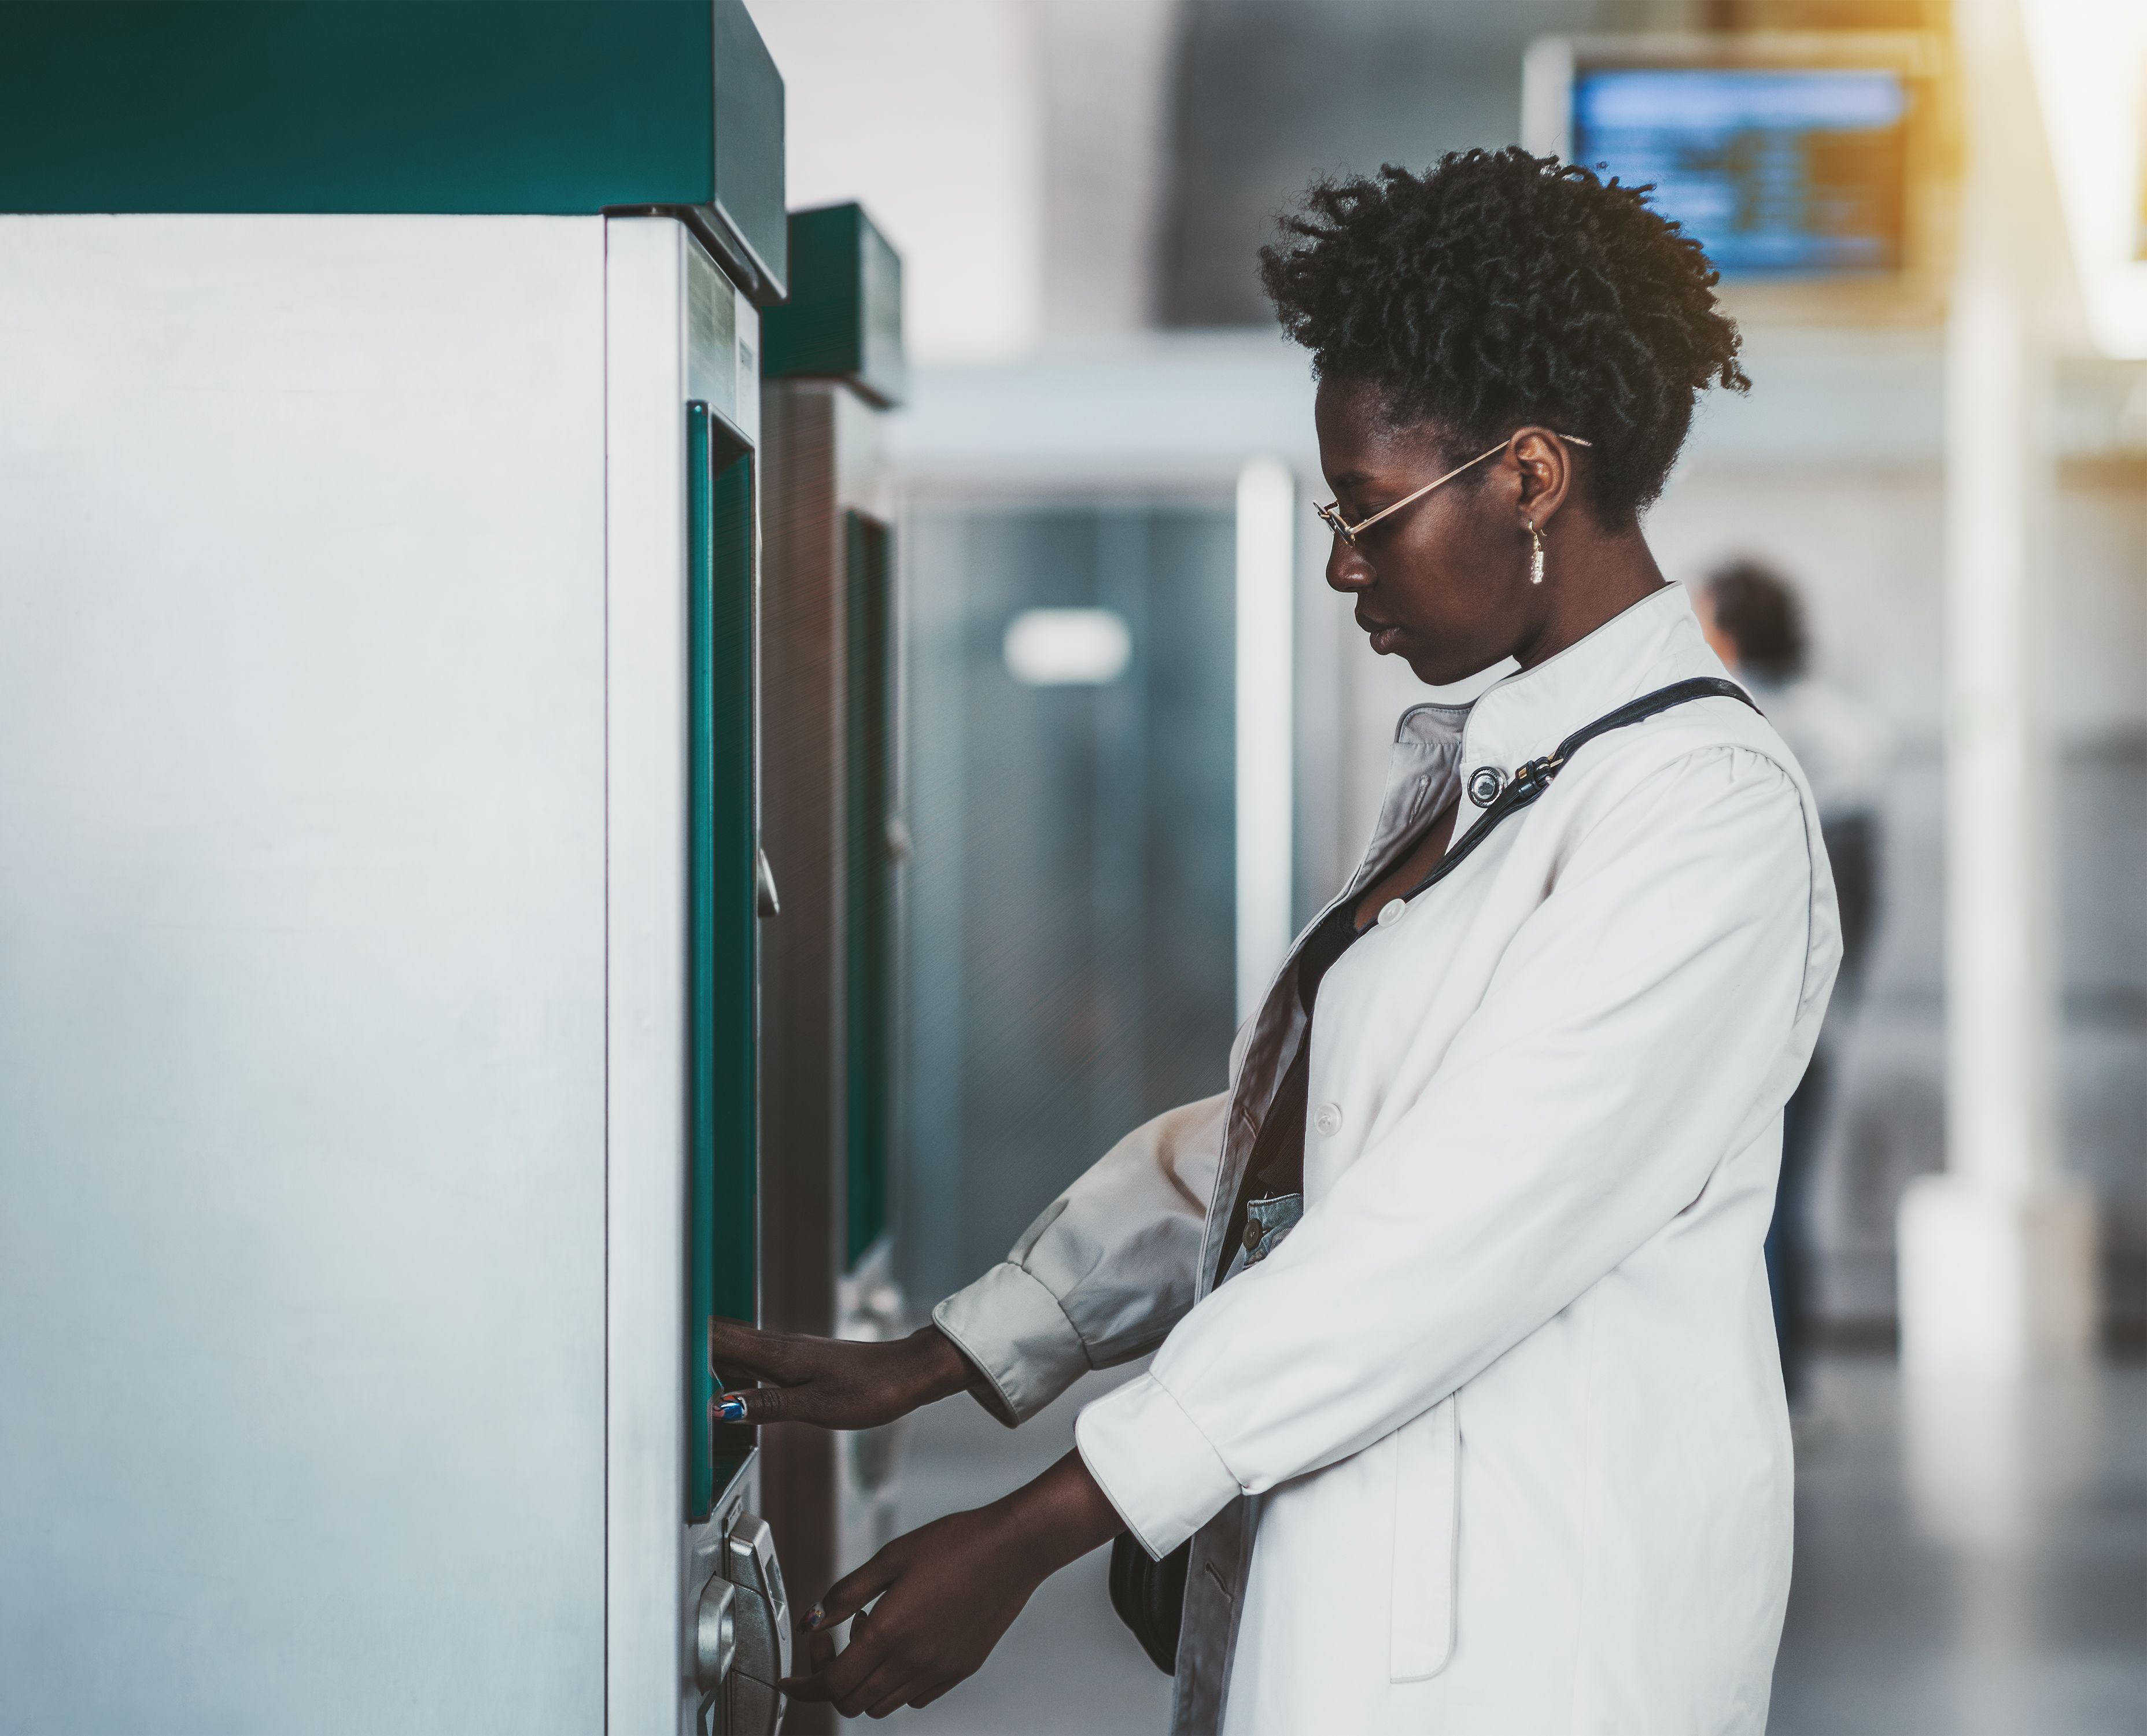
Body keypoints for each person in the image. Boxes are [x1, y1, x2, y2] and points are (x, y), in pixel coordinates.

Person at [713, 148, 1842, 1734]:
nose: (1341, 562)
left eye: (1368, 510)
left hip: (1533, 1655)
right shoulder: (1504, 768)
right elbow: (1299, 1142)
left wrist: (1037, 1525)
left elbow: (1443, 1227)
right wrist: (953, 1352)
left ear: (1529, 476)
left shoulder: (1702, 811)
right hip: (1361, 1613)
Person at [1698, 560, 1887, 1410]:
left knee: (1751, 1204)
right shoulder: (1840, 727)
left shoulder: (1731, 721)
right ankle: (1785, 1393)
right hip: (1809, 1013)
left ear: (1730, 630)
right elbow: (1862, 892)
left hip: (1754, 1015)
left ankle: (1765, 1394)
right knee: (1782, 1198)